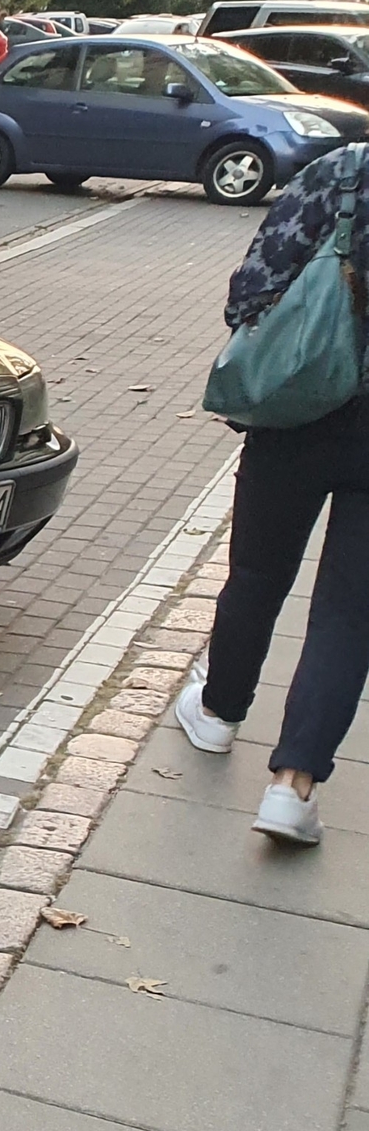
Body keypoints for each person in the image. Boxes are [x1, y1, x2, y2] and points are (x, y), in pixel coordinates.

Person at [180, 142, 369, 845]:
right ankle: (293, 788)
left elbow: (252, 289)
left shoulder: (342, 172)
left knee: (257, 575)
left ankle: (219, 714)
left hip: (297, 417)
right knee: (349, 615)